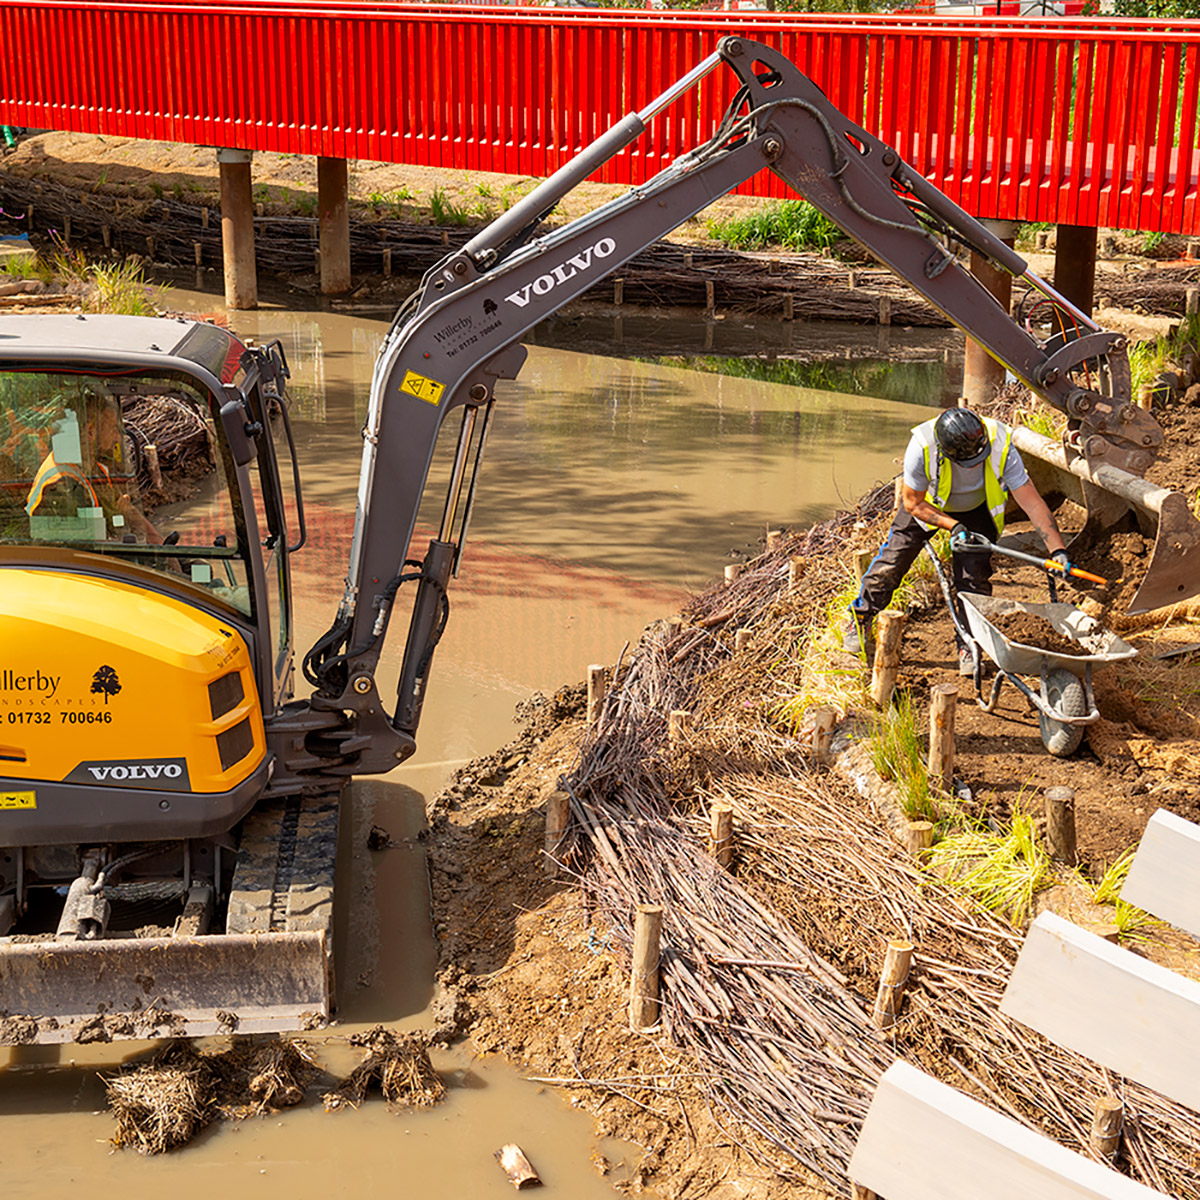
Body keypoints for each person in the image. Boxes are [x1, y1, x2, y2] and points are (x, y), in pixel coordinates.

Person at [843, 406, 1070, 674]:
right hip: (928, 504)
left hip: (976, 509)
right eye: (968, 461)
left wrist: (1058, 550)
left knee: (974, 580)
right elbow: (913, 503)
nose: (975, 464)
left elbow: (1032, 503)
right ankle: (861, 618)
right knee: (893, 560)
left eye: (978, 457)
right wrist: (953, 526)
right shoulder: (922, 446)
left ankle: (968, 643)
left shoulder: (1000, 443)